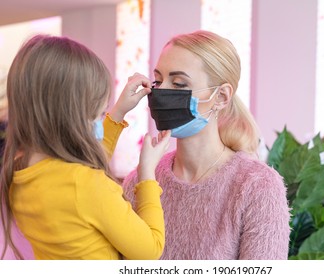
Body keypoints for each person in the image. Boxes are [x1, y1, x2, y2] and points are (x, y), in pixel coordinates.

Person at [123, 30, 291, 260]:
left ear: (221, 97)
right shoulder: (140, 180)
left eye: (179, 83)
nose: (161, 92)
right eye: (159, 81)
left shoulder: (257, 186)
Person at [0, 35, 171, 260]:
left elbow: (78, 173)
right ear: (72, 114)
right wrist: (147, 173)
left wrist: (118, 112)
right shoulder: (84, 185)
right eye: (98, 113)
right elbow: (150, 249)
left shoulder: (18, 171)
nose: (101, 120)